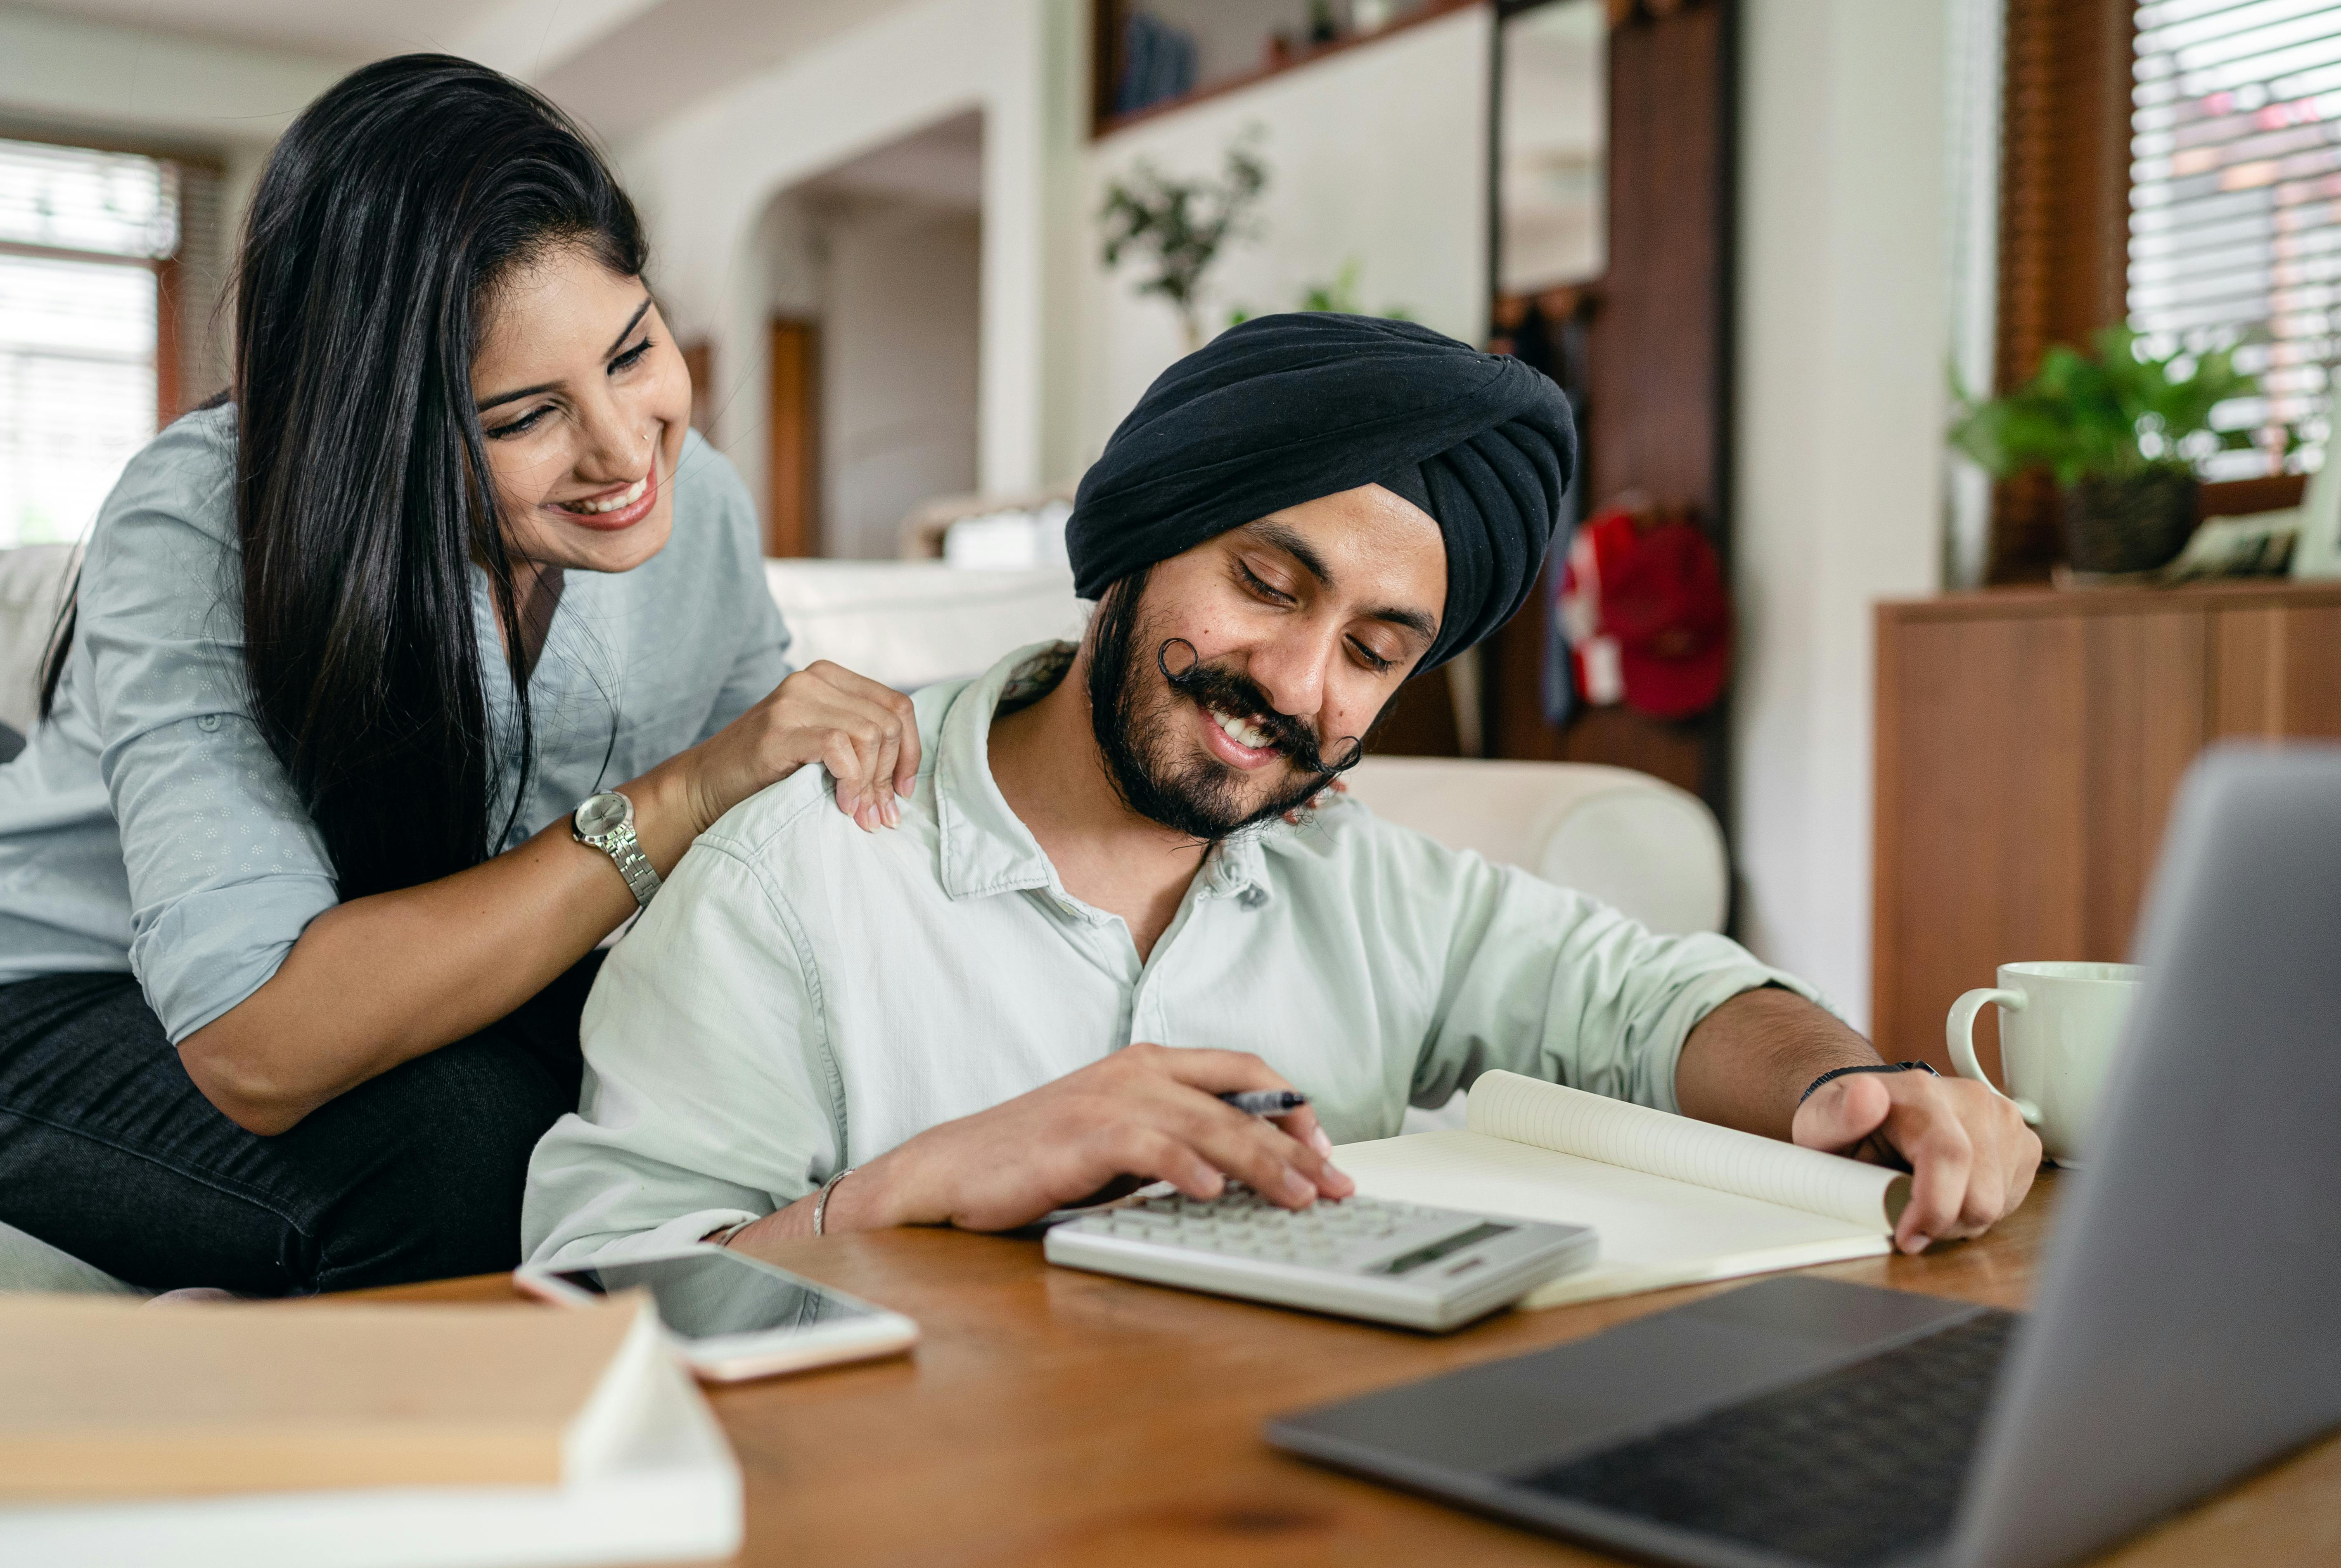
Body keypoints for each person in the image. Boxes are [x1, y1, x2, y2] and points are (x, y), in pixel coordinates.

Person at [522, 313, 2040, 1268]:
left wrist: (1850, 1084)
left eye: (1376, 651)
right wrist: (922, 1183)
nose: (1303, 684)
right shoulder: (795, 876)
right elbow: (605, 1290)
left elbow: (1651, 1000)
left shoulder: (1355, 878)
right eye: (1266, 583)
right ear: (1132, 547)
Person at [0, 56, 919, 1295]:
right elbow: (260, 1043)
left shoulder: (689, 498)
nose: (623, 448)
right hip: (32, 986)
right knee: (464, 1148)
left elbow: (759, 875)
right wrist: (686, 792)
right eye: (522, 417)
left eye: (634, 349)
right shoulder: (205, 513)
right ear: (380, 429)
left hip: (124, 853)